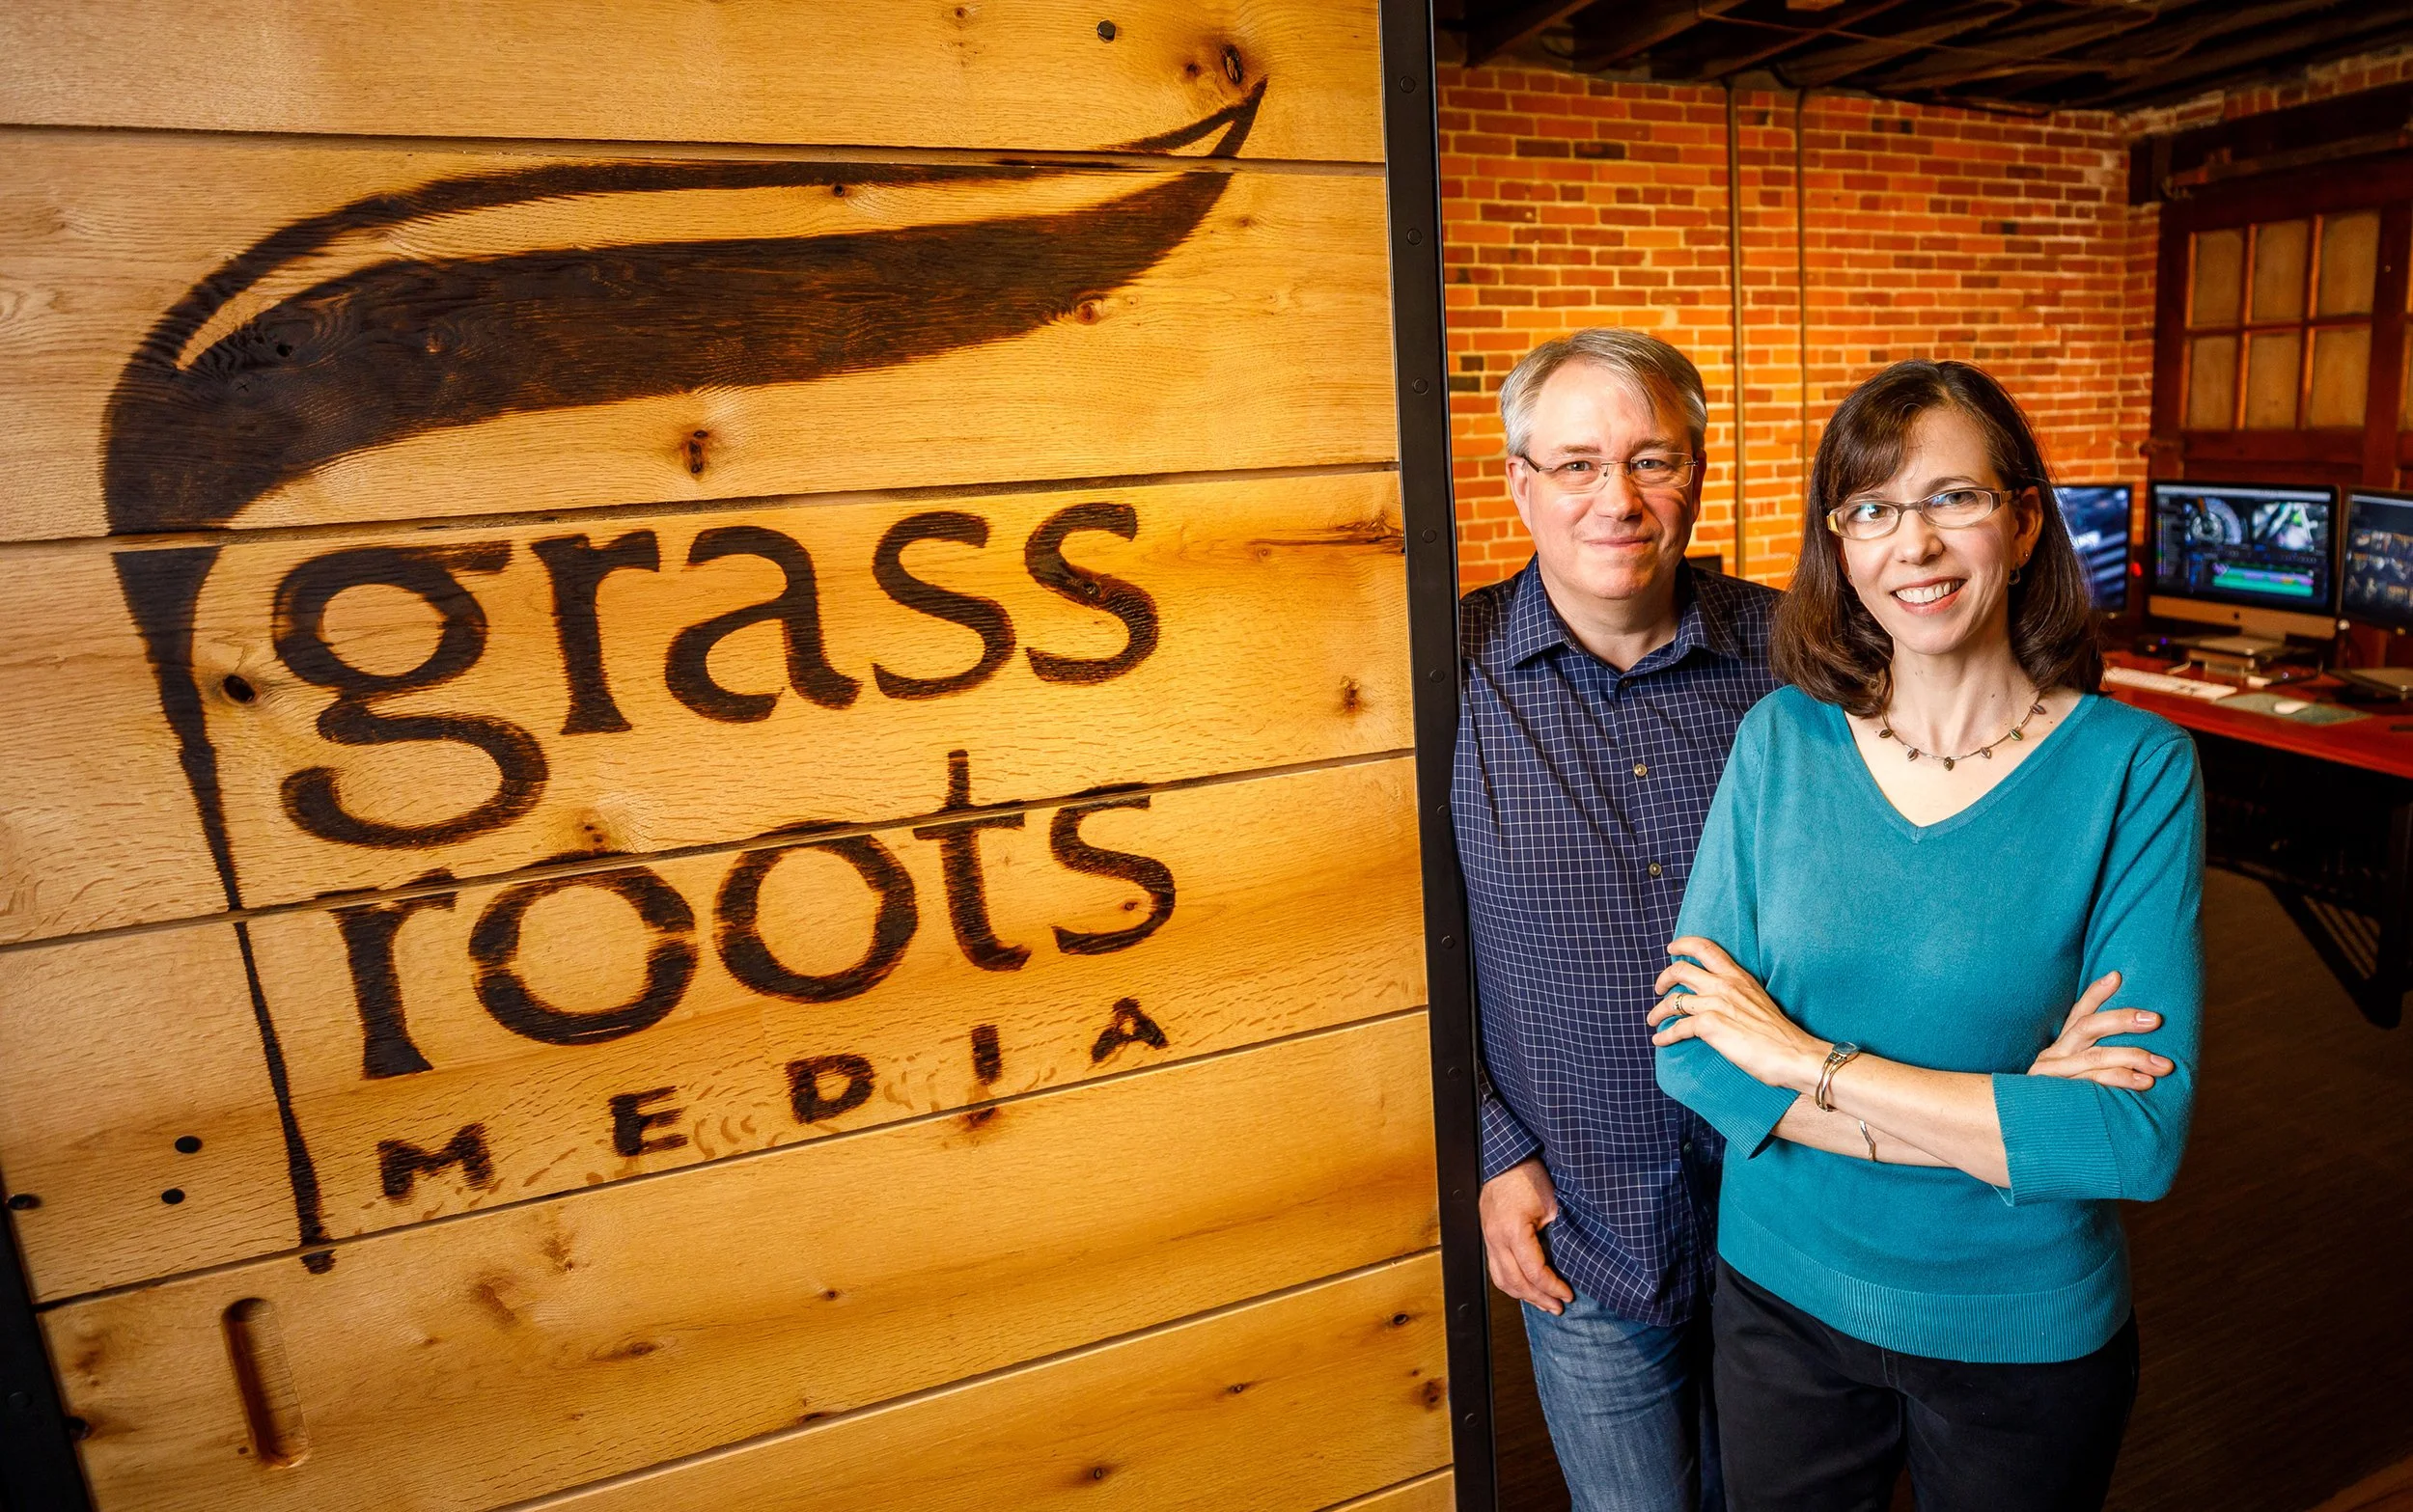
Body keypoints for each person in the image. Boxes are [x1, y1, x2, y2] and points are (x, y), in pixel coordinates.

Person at [1650, 359, 2204, 1512]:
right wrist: (2005, 1122)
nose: (1915, 544)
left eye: (1953, 497)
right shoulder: (1778, 742)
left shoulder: (2134, 770)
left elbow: (2127, 1136)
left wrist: (1807, 1065)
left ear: (2022, 518)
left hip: (2021, 1330)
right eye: (1871, 509)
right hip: (1778, 1303)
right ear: (1839, 544)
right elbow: (1692, 1047)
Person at [1456, 328, 1781, 1512]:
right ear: (1519, 484)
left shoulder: (1795, 652)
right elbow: (1397, 953)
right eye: (1578, 464)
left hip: (1783, 1200)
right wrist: (1490, 1152)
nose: (1618, 498)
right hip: (1583, 1213)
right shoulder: (1445, 670)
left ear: (1697, 470)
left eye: (1652, 459)